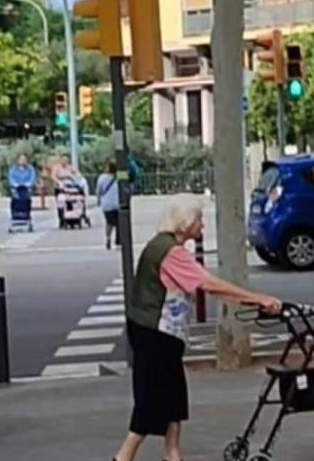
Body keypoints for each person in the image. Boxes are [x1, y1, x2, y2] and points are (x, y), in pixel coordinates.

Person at [112, 195, 282, 461]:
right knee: (153, 396)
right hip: (156, 333)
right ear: (184, 222)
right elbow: (208, 285)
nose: (202, 224)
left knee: (173, 393)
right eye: (199, 219)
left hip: (158, 332)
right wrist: (258, 298)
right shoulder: (171, 252)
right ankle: (123, 456)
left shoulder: (161, 245)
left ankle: (172, 452)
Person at [96, 161, 120, 249]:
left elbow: (99, 190)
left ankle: (108, 237)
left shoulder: (102, 178)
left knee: (109, 222)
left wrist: (98, 201)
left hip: (107, 204)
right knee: (119, 223)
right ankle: (118, 242)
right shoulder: (119, 177)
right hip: (118, 203)